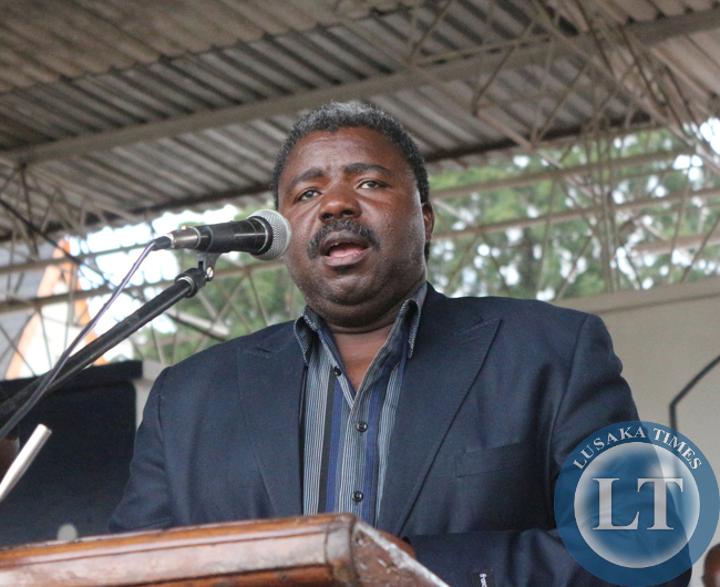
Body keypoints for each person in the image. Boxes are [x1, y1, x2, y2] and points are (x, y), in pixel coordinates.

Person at [111, 102, 689, 586]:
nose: (335, 204)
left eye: (368, 183)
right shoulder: (187, 401)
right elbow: (127, 571)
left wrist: (414, 567)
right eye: (307, 193)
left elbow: (646, 549)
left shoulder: (551, 353)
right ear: (283, 233)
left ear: (426, 219)